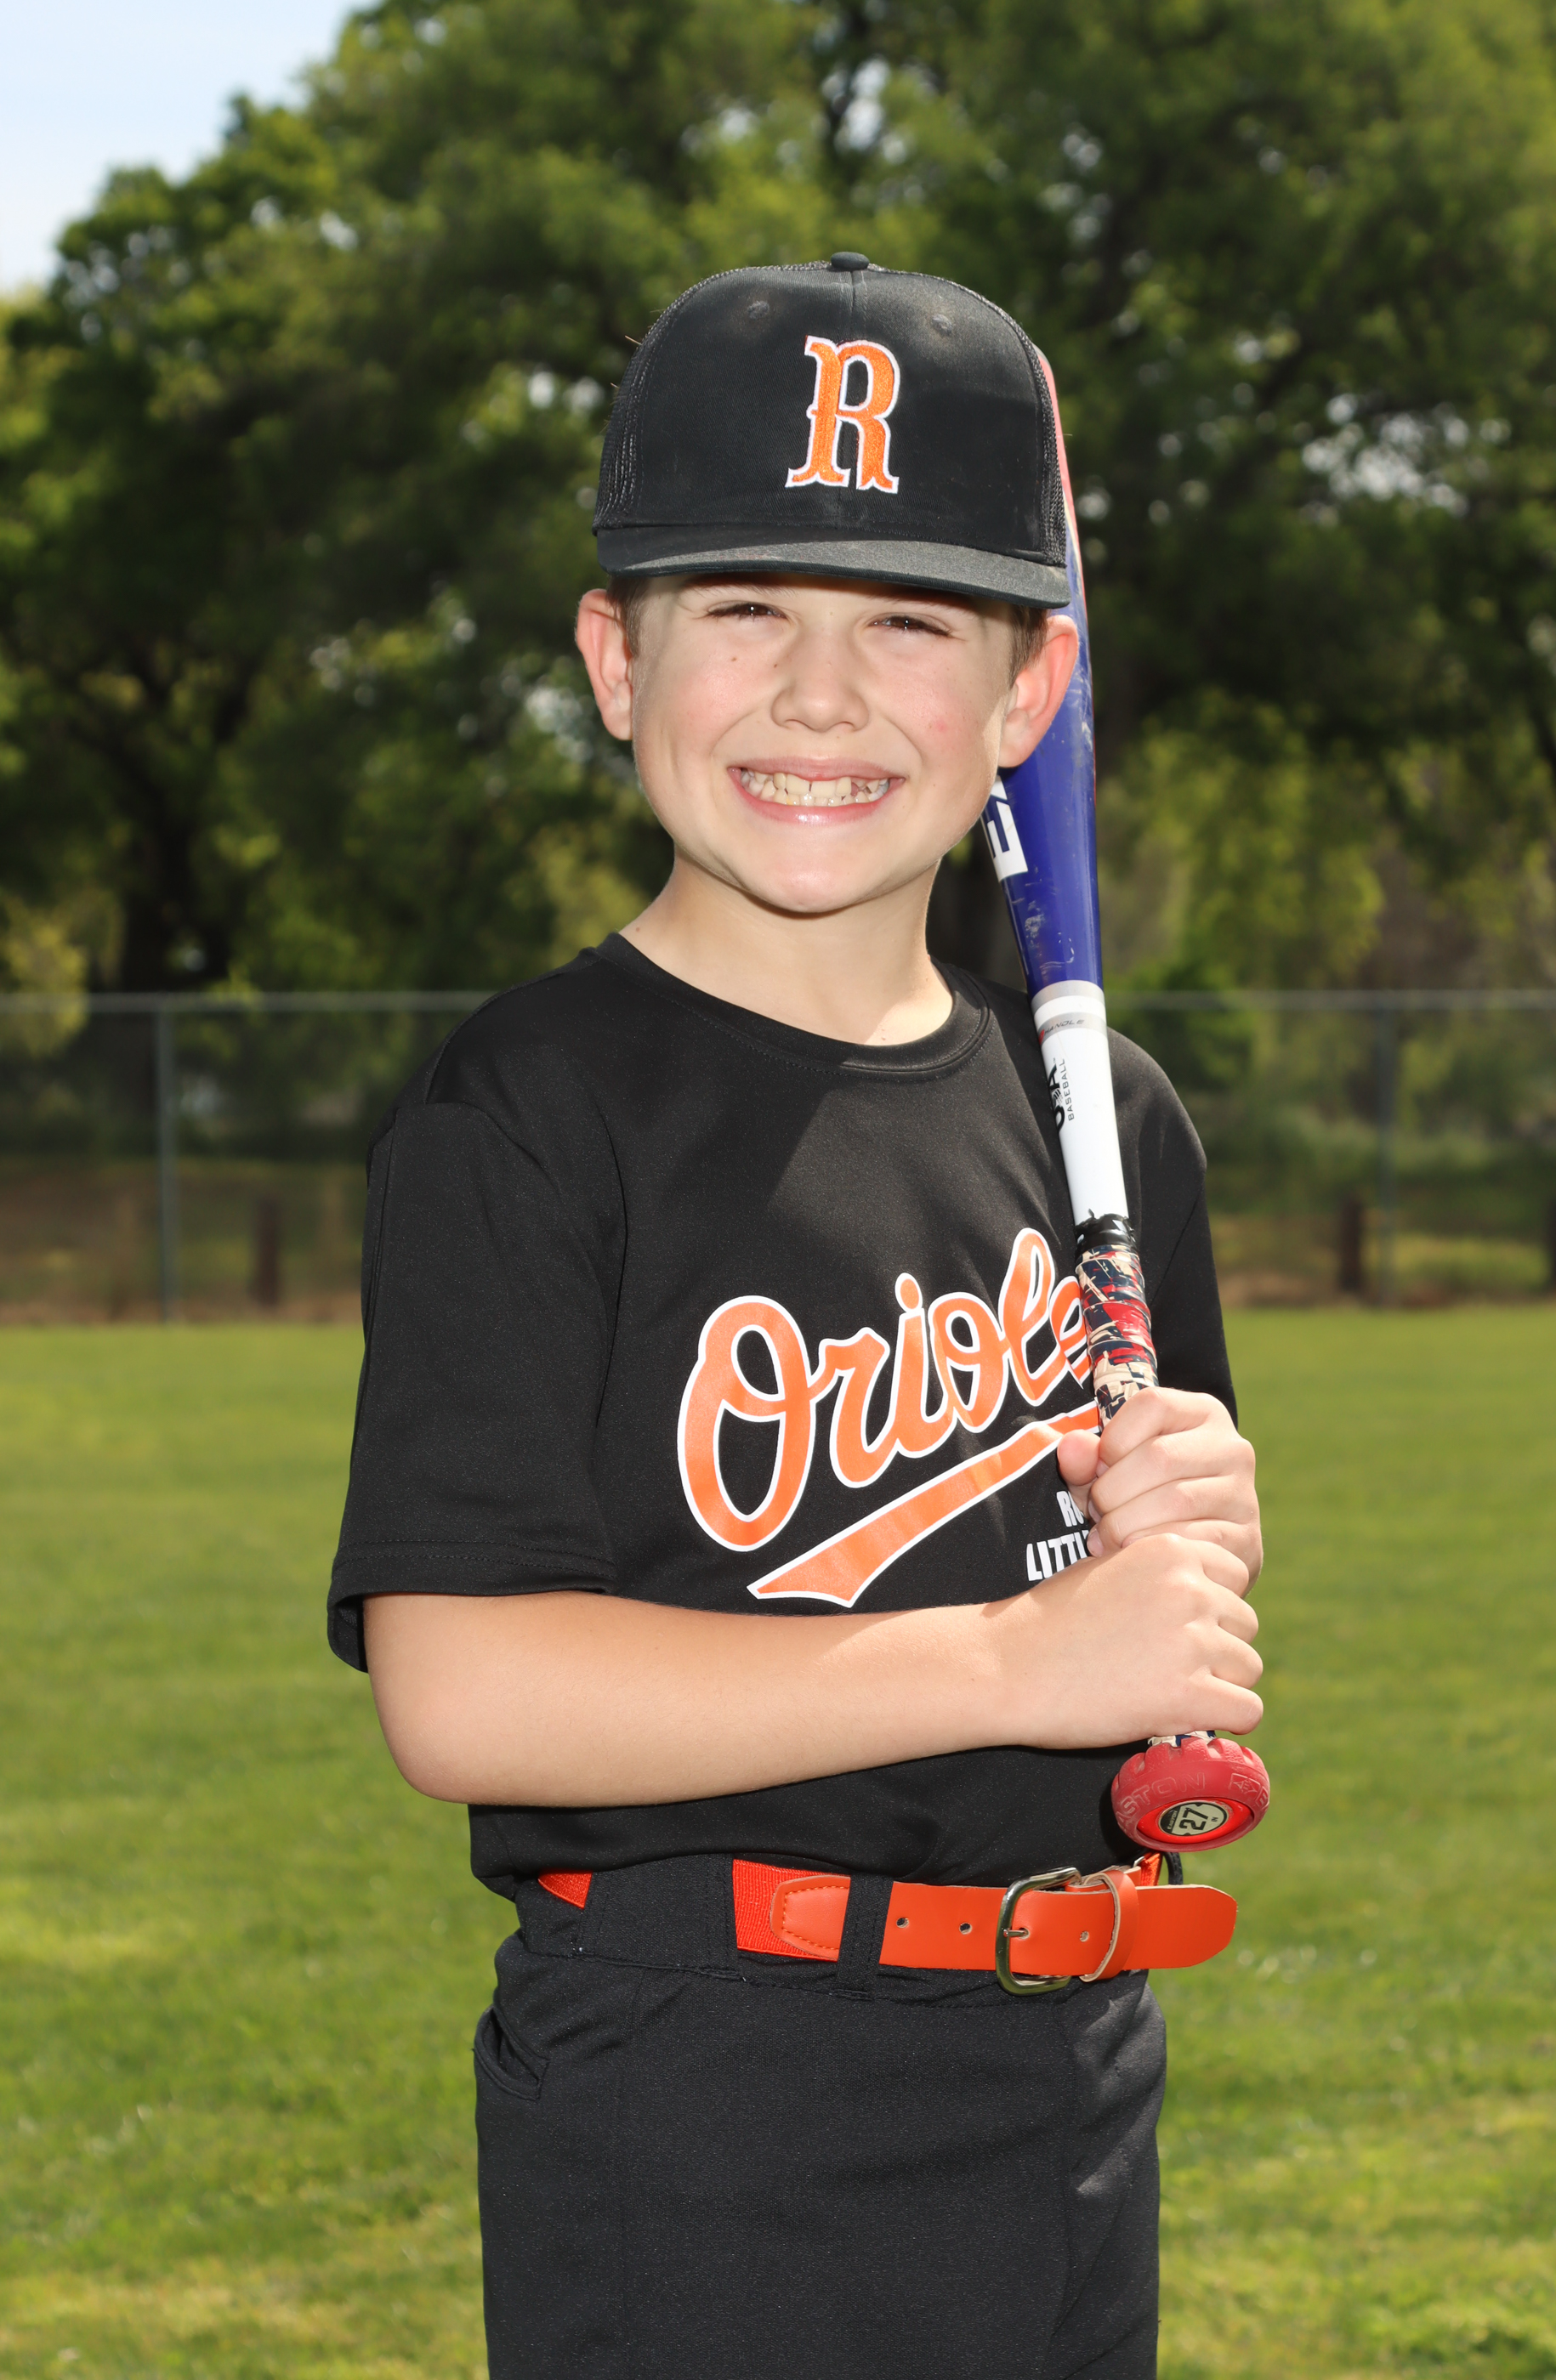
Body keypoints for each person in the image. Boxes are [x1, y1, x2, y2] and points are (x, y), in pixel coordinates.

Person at [328, 252, 1263, 2380]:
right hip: (706, 2091)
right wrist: (1023, 1654)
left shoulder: (1100, 1114)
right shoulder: (528, 1107)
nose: (821, 696)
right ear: (616, 659)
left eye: (910, 621)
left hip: (1066, 2062)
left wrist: (1184, 1536)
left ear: (1027, 692)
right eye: (745, 607)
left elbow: (1123, 1621)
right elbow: (466, 1688)